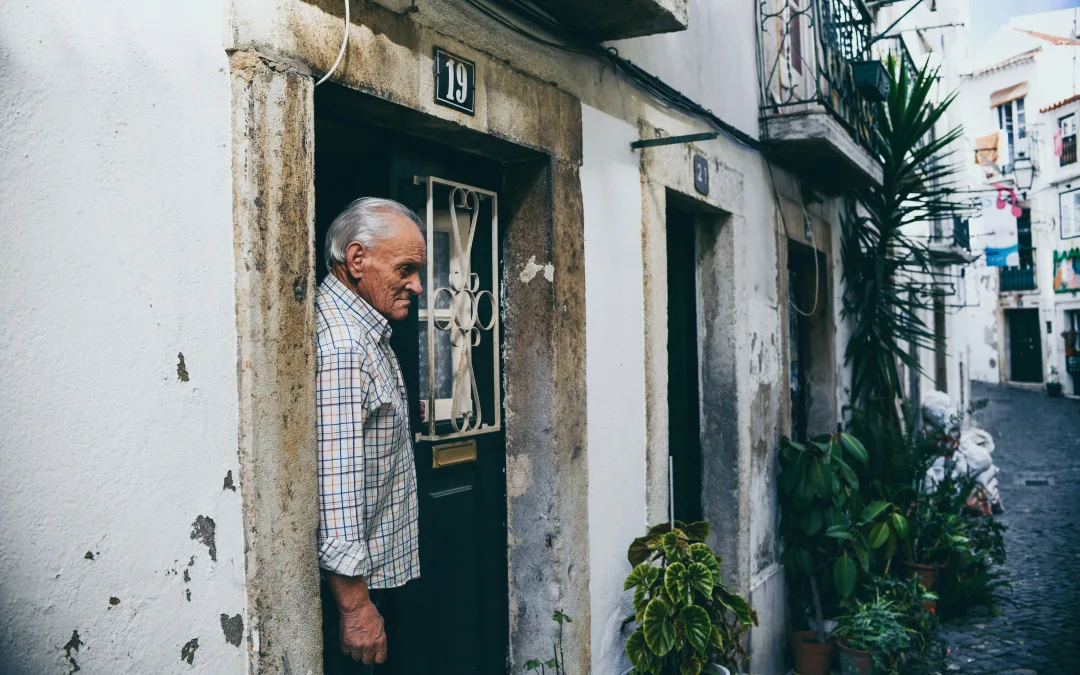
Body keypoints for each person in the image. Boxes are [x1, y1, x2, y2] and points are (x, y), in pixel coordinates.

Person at [315, 197, 426, 673]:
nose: (418, 286)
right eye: (406, 269)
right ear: (357, 260)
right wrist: (356, 608)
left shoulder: (363, 330)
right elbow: (335, 490)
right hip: (357, 591)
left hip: (376, 573)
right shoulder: (344, 345)